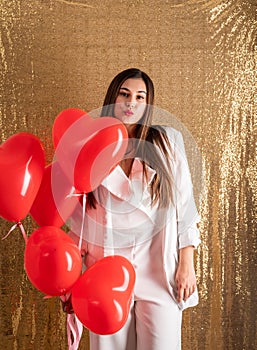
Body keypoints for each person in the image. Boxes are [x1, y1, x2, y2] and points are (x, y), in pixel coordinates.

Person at [69, 68, 201, 350]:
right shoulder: (90, 148)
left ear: (147, 104)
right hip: (105, 273)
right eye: (125, 94)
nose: (131, 103)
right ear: (112, 98)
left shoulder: (167, 142)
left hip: (157, 270)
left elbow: (185, 205)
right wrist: (70, 278)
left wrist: (186, 263)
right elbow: (80, 217)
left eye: (140, 97)